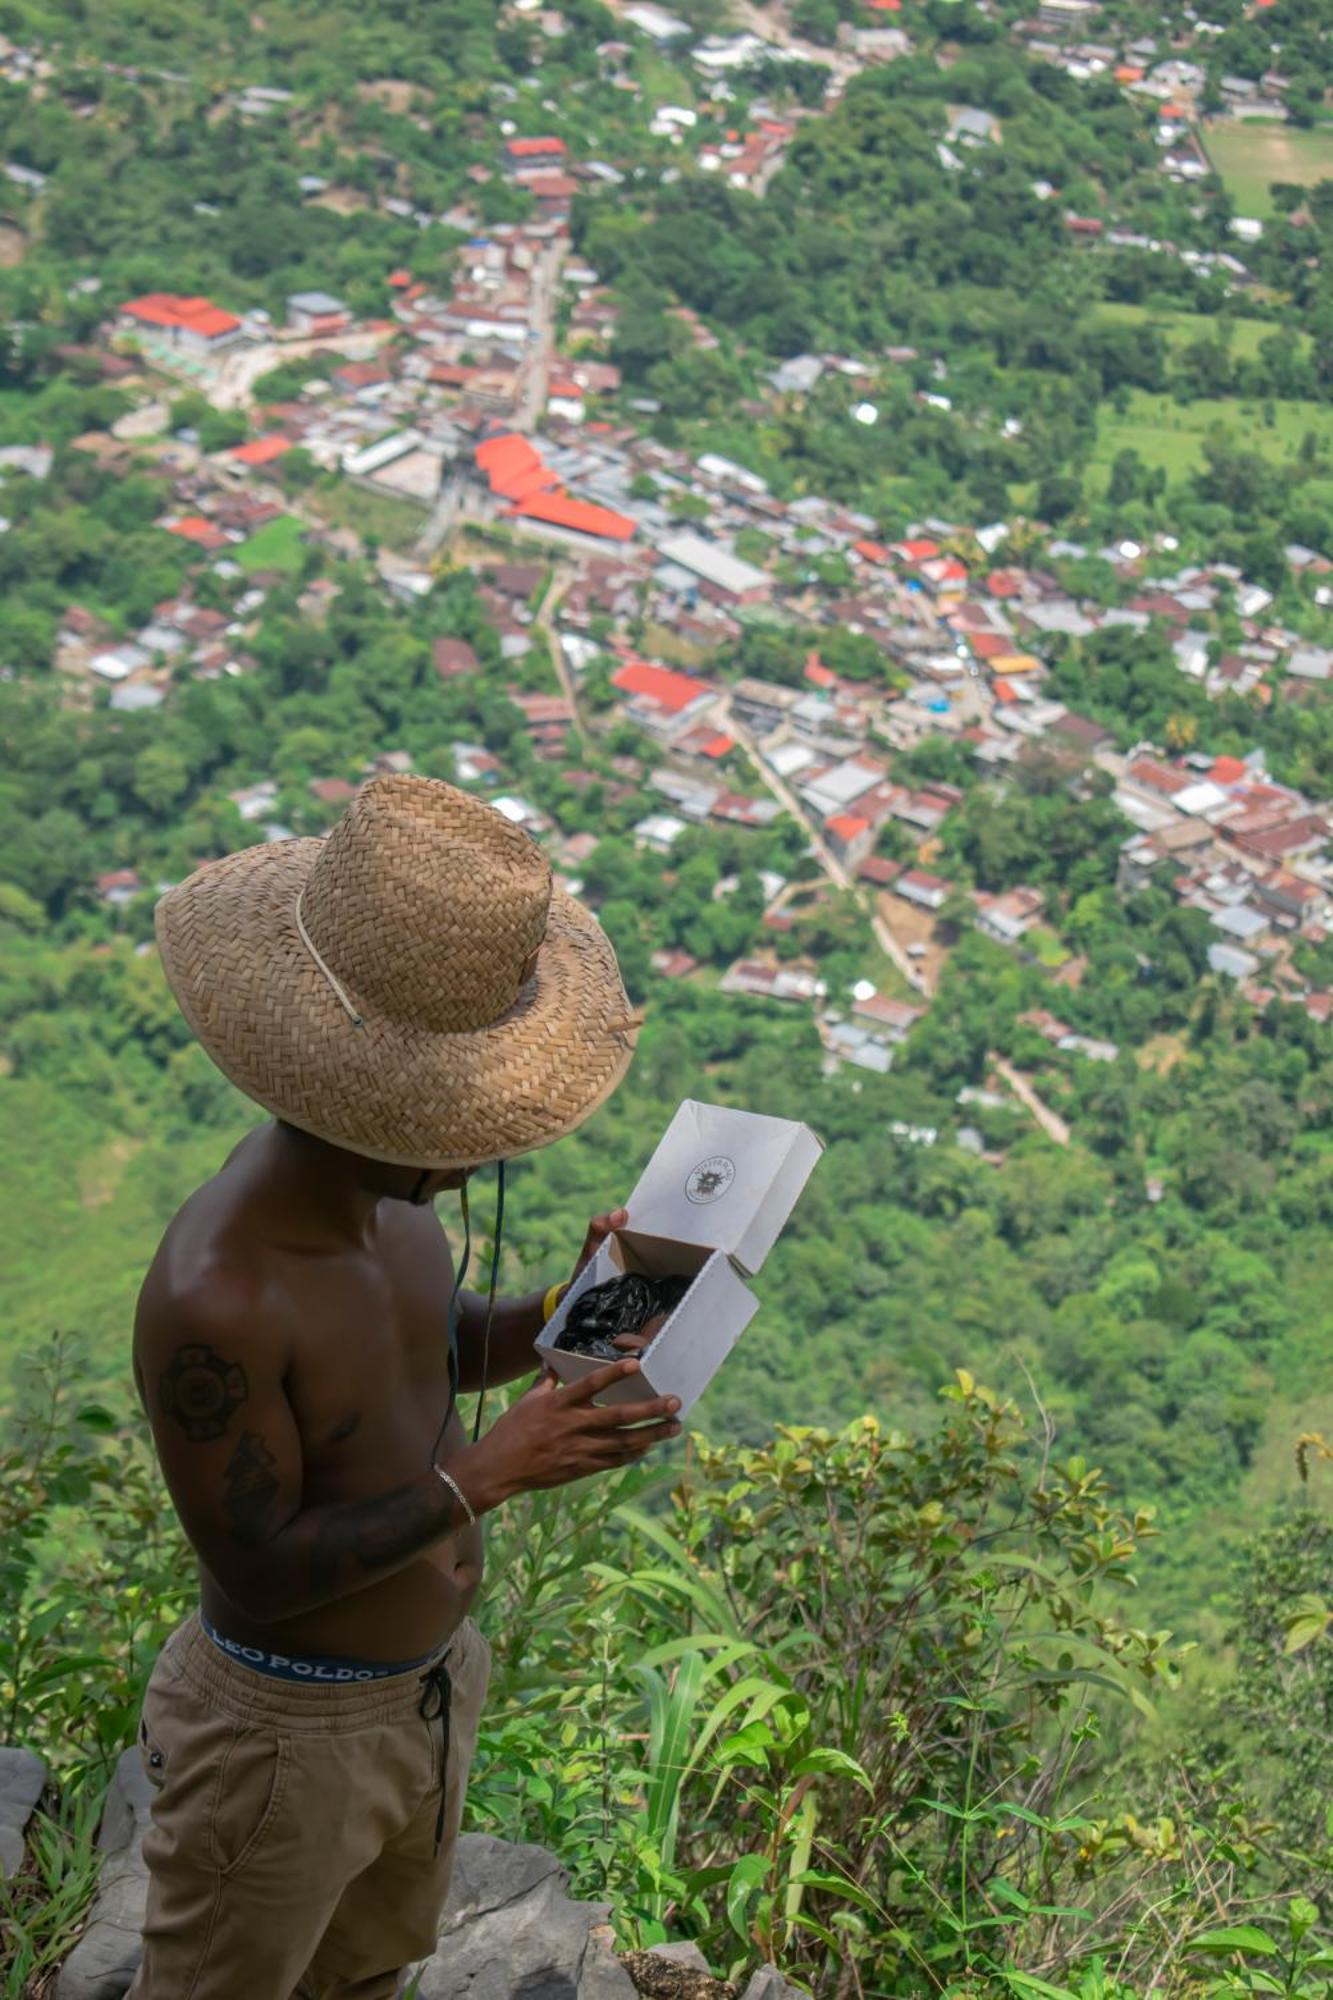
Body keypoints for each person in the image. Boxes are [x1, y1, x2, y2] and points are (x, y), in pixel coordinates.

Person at [128, 774, 680, 2000]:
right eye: (454, 1115)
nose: (481, 1144)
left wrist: (565, 1310)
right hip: (280, 1733)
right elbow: (260, 1566)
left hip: (426, 1690)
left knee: (366, 1974)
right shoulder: (219, 1295)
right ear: (357, 1101)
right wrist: (493, 1470)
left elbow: (433, 1343)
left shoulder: (388, 1205)